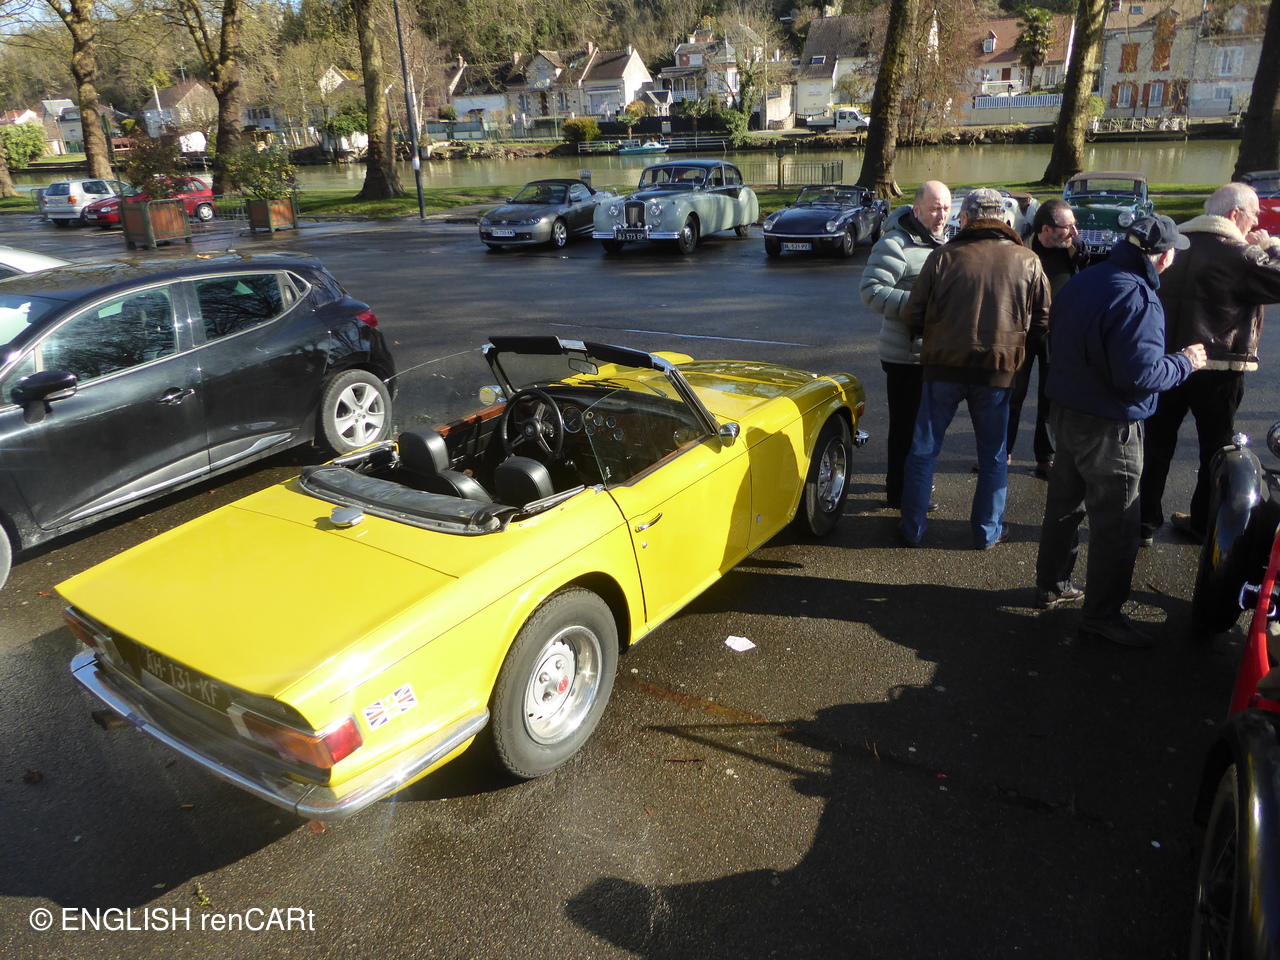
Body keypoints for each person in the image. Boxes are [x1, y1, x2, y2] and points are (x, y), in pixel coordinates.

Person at [1036, 215, 1206, 649]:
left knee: (1064, 506)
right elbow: (1140, 375)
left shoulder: (1086, 279)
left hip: (1066, 410)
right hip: (1110, 424)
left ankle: (1052, 584)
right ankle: (1102, 616)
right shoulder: (1139, 297)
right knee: (1117, 525)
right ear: (1163, 257)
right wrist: (1186, 362)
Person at [897, 188, 1051, 549]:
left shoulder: (942, 256)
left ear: (965, 218)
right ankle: (986, 531)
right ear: (1004, 220)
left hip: (942, 367)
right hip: (997, 370)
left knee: (923, 451)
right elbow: (1044, 320)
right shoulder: (1028, 260)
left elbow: (912, 313)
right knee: (993, 456)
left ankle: (912, 529)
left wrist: (930, 332)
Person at [1138, 183, 1280, 544]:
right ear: (1234, 214)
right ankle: (1203, 522)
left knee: (1155, 442)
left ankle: (1143, 522)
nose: (1256, 223)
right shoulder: (1242, 254)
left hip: (1167, 361)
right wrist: (1270, 246)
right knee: (1215, 449)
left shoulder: (1172, 244)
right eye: (1253, 215)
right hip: (1219, 366)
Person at [859, 180, 951, 509]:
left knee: (925, 427)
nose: (941, 216)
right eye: (934, 209)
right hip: (904, 356)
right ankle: (900, 493)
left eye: (946, 208)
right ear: (916, 209)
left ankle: (913, 483)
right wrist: (921, 305)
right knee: (906, 428)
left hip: (934, 353)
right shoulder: (895, 243)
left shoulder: (943, 241)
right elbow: (871, 291)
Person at [1010, 199, 1091, 479]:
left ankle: (1046, 458)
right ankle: (1000, 452)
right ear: (1046, 229)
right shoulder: (1021, 248)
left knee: (1050, 396)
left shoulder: (1074, 248)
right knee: (1012, 394)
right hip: (1021, 332)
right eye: (1068, 227)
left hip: (1057, 333)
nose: (1074, 231)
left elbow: (1085, 271)